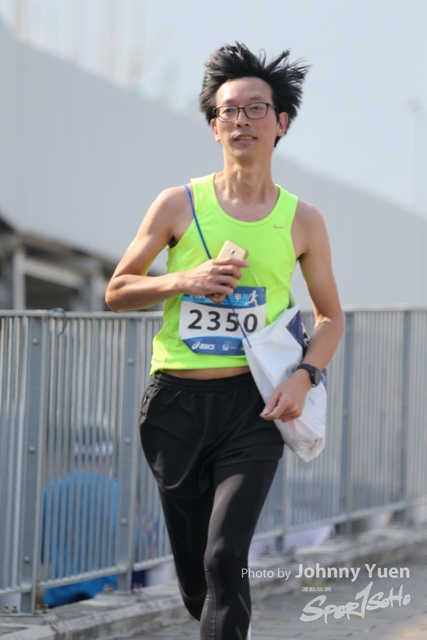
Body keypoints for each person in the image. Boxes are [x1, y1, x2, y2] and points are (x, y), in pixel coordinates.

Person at [106, 42, 344, 640]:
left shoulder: (302, 220)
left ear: (281, 122)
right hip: (174, 406)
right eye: (229, 111)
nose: (242, 120)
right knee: (199, 581)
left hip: (251, 407)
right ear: (214, 127)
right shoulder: (178, 204)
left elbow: (329, 317)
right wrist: (183, 280)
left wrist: (305, 375)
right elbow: (117, 290)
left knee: (223, 557)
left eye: (256, 109)